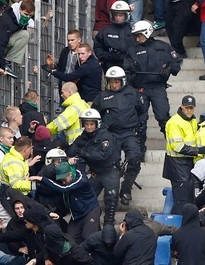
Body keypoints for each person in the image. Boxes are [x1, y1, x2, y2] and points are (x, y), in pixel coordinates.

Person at [125, 20, 181, 160]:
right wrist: (131, 71)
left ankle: (172, 145)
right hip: (140, 88)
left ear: (146, 33)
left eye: (139, 35)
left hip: (158, 87)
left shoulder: (163, 47)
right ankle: (140, 150)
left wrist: (169, 69)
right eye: (135, 36)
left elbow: (176, 62)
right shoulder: (132, 50)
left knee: (163, 116)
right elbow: (126, 70)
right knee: (140, 121)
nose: (137, 39)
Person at [67, 108, 120, 240]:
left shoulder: (105, 136)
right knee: (86, 197)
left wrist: (84, 154)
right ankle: (91, 224)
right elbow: (72, 150)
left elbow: (104, 155)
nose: (89, 127)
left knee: (111, 197)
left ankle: (109, 224)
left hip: (110, 171)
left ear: (97, 124)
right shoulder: (82, 137)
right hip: (96, 173)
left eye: (92, 124)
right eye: (86, 124)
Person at [92, 66, 142, 204]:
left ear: (122, 81)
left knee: (134, 158)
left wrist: (140, 126)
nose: (113, 85)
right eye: (111, 82)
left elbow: (142, 110)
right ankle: (109, 192)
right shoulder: (102, 96)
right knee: (110, 164)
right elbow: (95, 115)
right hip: (110, 134)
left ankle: (126, 189)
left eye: (116, 82)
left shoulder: (132, 93)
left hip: (129, 132)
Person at [30, 161, 101, 244]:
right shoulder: (67, 176)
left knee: (88, 236)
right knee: (70, 239)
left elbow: (63, 188)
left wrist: (41, 179)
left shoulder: (81, 179)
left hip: (90, 210)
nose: (63, 182)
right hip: (77, 214)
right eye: (61, 180)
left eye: (64, 180)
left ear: (70, 174)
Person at [163, 95, 205, 214]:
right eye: (187, 108)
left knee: (188, 199)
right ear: (182, 107)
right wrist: (198, 150)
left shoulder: (193, 121)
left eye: (191, 108)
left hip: (187, 164)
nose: (189, 110)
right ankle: (177, 226)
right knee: (181, 201)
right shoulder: (174, 122)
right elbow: (177, 146)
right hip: (177, 165)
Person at [0, 0, 35, 79]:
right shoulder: (5, 20)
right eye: (26, 14)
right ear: (19, 9)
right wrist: (2, 65)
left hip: (5, 44)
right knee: (24, 35)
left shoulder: (21, 21)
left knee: (25, 34)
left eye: (30, 15)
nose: (27, 17)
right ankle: (5, 63)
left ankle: (9, 61)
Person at [93, 1, 137, 72]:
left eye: (120, 15)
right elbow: (98, 47)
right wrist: (108, 56)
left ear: (126, 15)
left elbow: (139, 48)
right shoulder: (105, 31)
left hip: (130, 67)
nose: (117, 18)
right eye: (116, 15)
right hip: (110, 66)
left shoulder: (133, 31)